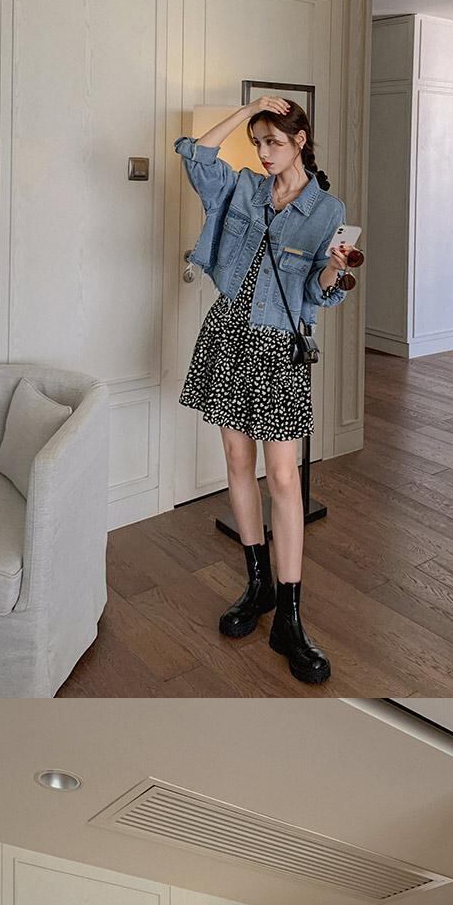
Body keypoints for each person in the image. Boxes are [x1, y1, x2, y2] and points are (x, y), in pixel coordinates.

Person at [176, 93, 362, 685]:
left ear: (300, 141)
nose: (262, 153)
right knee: (237, 461)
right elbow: (195, 154)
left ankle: (289, 616)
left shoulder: (326, 209)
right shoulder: (244, 189)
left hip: (279, 346)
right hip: (229, 332)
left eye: (273, 142)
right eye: (257, 142)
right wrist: (249, 108)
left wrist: (335, 268)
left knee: (283, 478)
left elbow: (318, 293)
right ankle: (256, 584)